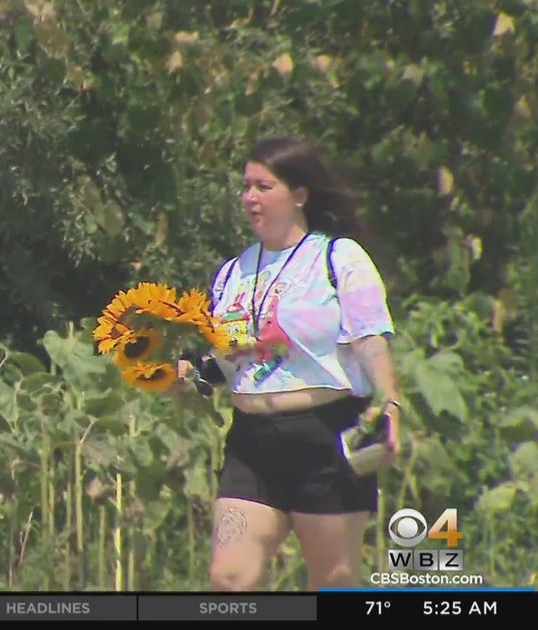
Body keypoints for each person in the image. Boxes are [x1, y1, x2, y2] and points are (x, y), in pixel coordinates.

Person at [174, 136, 402, 591]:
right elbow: (225, 361)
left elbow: (369, 340)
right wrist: (188, 376)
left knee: (334, 582)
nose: (250, 198)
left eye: (263, 186)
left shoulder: (338, 258)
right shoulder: (233, 272)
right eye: (246, 187)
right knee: (228, 579)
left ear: (299, 194)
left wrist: (391, 402)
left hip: (324, 437)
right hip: (251, 444)